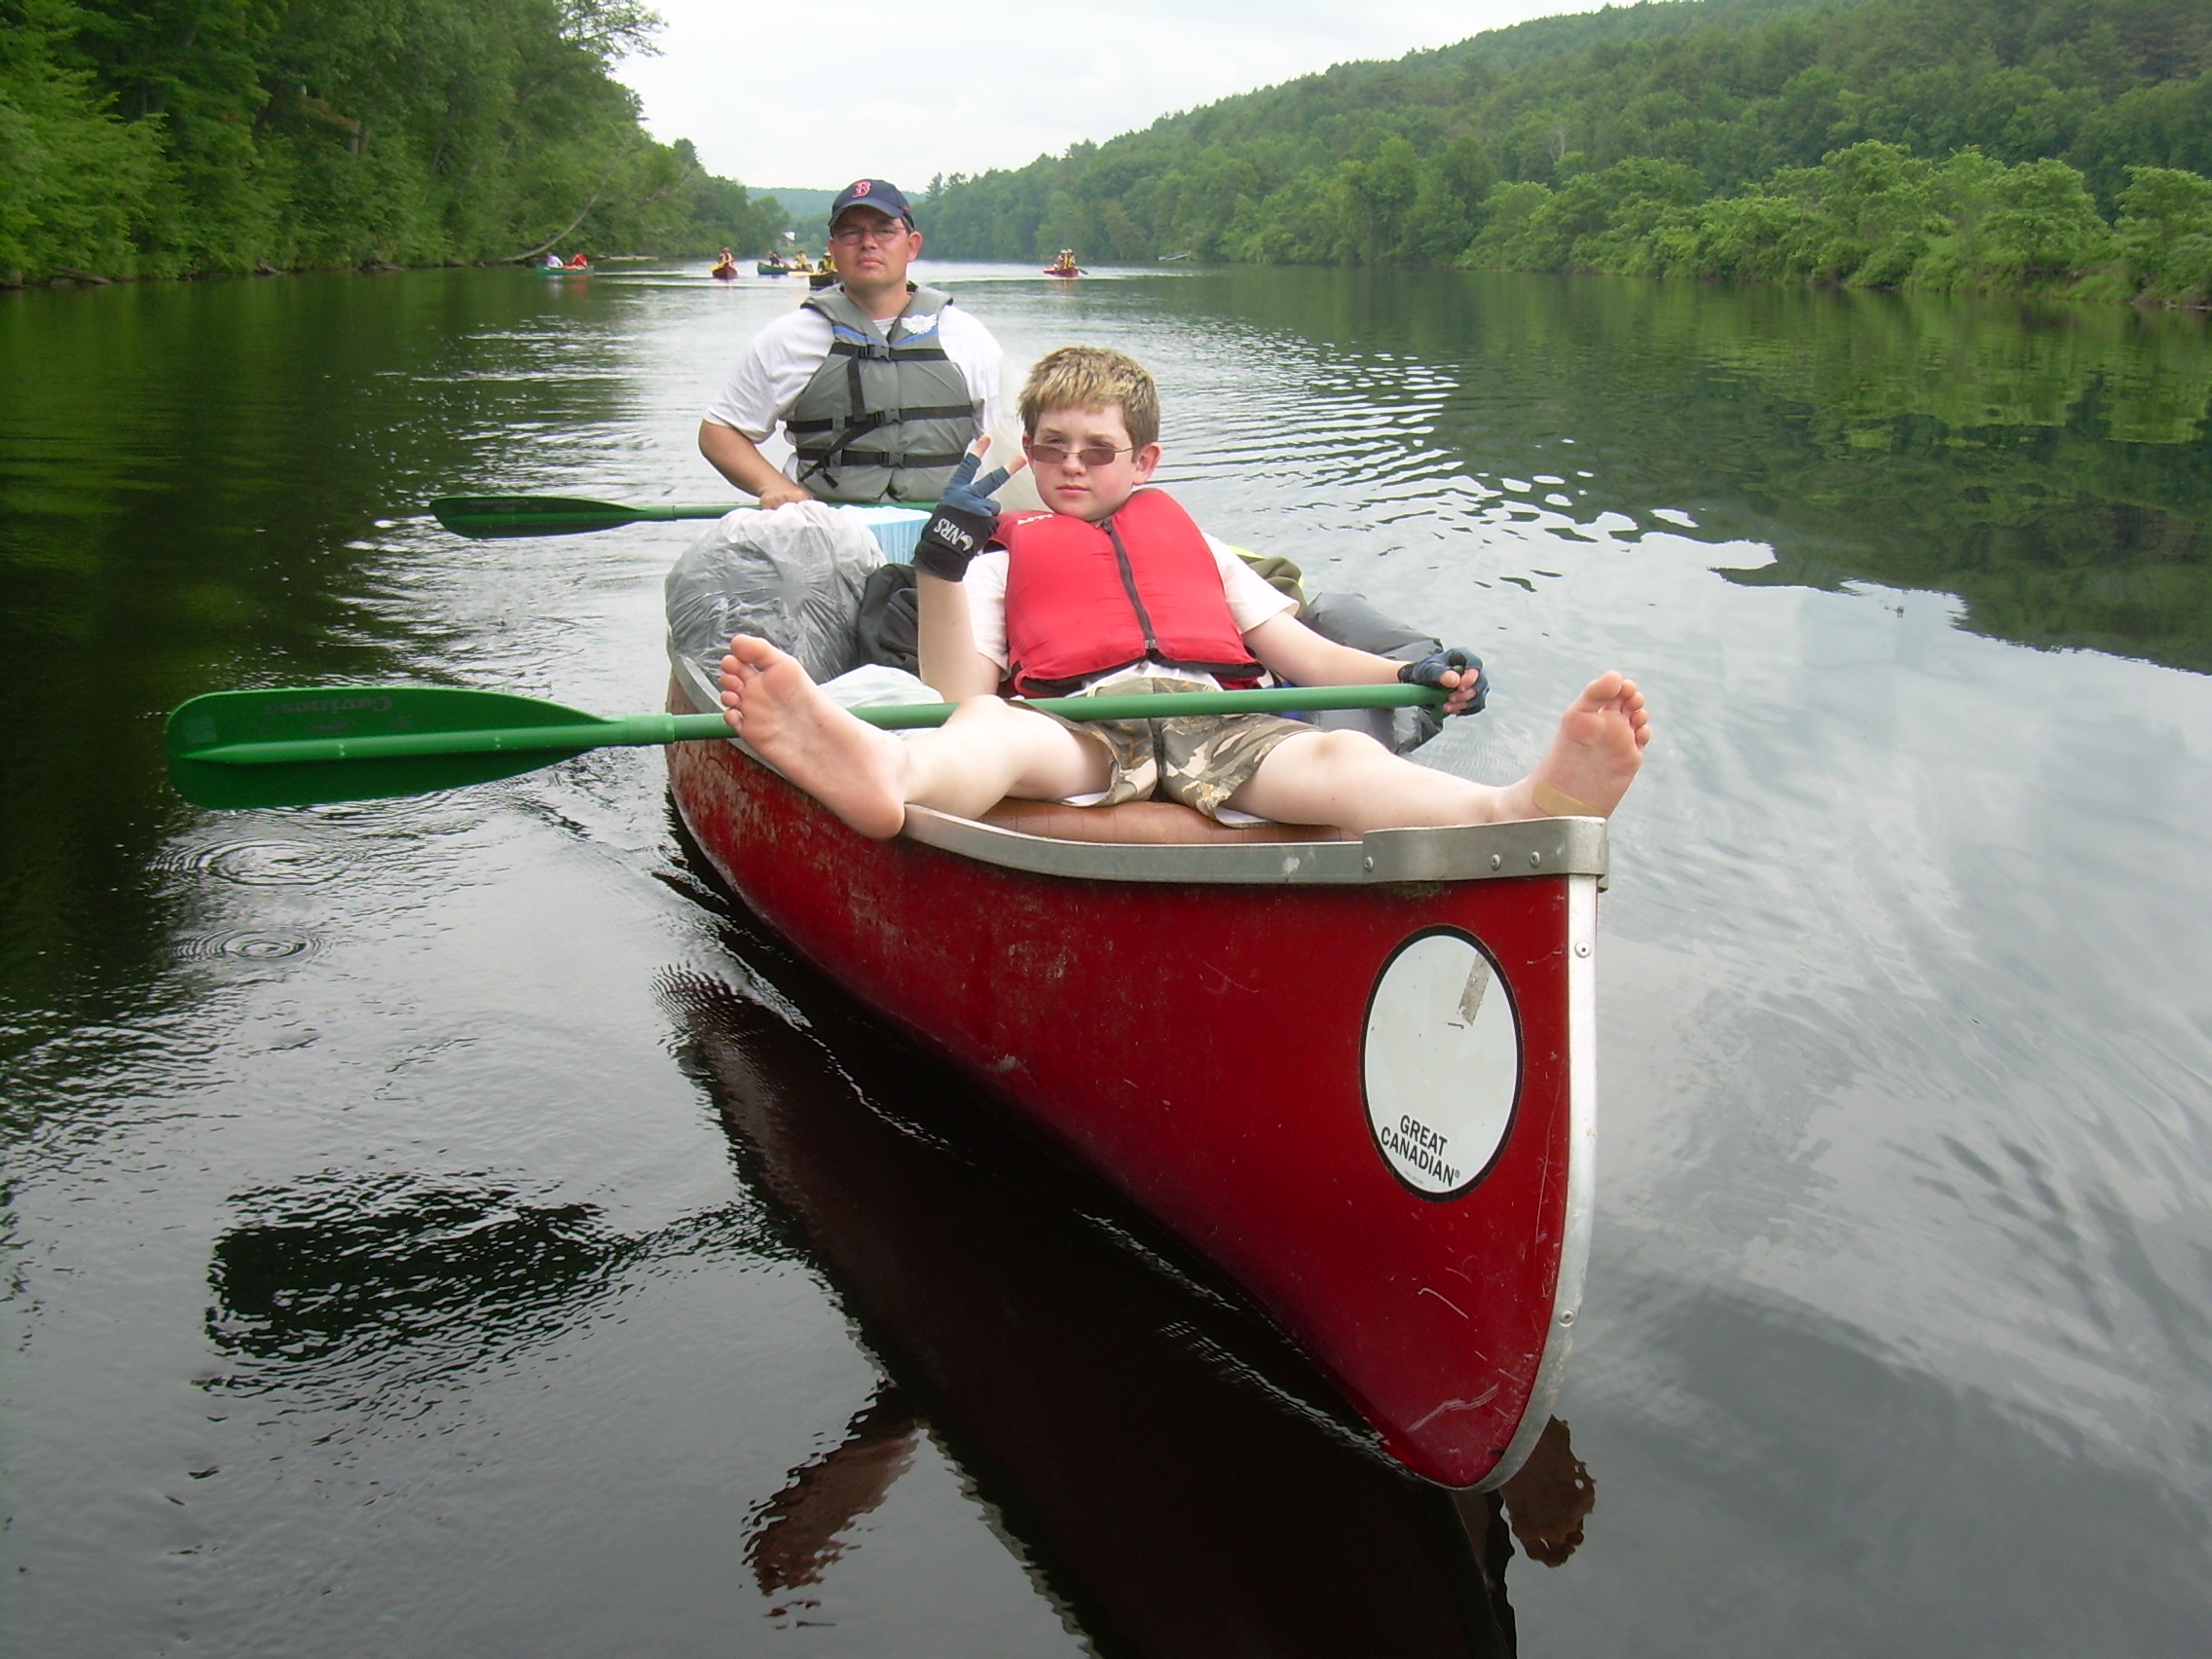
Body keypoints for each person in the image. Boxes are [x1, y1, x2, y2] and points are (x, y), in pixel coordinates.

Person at [716, 346, 1649, 840]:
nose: (1070, 467)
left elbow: (1308, 659)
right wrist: (942, 562)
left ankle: (1517, 809)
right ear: (1025, 452)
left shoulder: (1195, 544)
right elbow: (961, 690)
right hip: (1083, 726)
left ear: (1144, 460)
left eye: (1097, 450)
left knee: (1339, 769)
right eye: (1050, 447)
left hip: (1220, 725)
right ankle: (887, 776)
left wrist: (1415, 668)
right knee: (989, 734)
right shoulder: (1006, 551)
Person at [698, 178, 1002, 507]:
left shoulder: (967, 336)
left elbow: (1010, 444)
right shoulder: (788, 338)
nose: (868, 243)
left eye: (885, 230)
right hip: (827, 533)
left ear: (912, 245)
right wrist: (771, 486)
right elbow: (719, 431)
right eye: (851, 232)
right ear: (832, 249)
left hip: (941, 536)